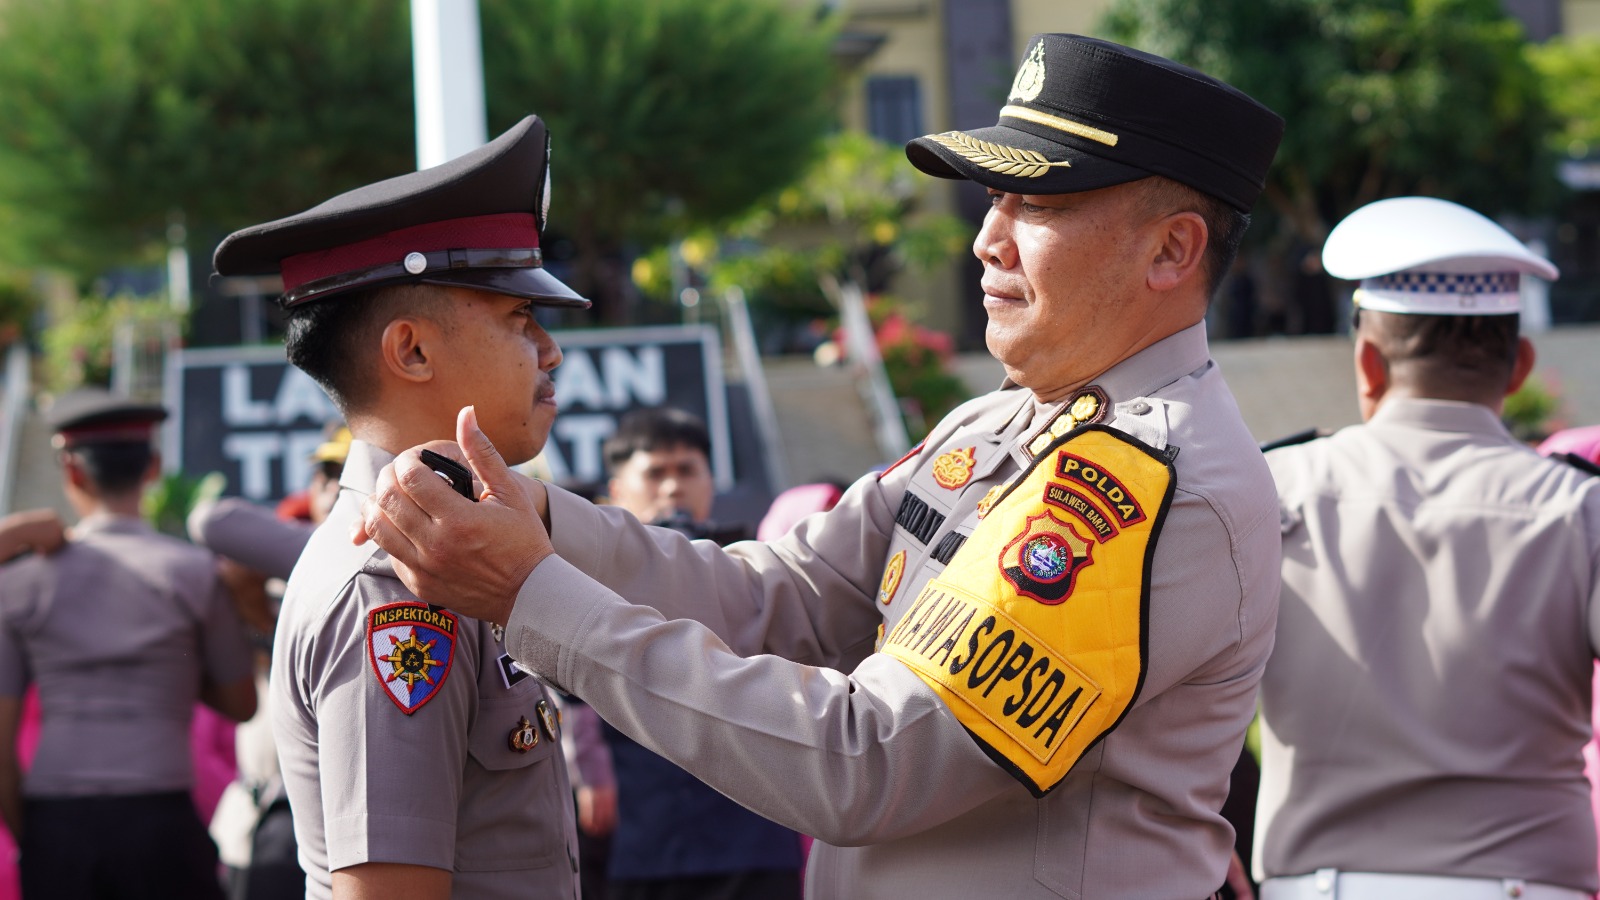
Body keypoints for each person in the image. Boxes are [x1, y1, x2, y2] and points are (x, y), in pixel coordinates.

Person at [360, 33, 1286, 898]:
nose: (987, 239)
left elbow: (869, 760)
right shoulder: (1002, 420)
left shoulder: (1148, 486)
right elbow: (780, 599)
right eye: (993, 199)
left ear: (1172, 249)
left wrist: (533, 596)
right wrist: (541, 519)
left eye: (1037, 205)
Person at [211, 114, 589, 900]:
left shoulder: (447, 546)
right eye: (518, 319)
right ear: (411, 350)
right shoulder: (394, 586)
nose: (550, 350)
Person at [1253, 196, 1600, 899]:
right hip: (1532, 884)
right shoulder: (1579, 507)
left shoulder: (1273, 490)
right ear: (1519, 366)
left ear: (1368, 363)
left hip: (1319, 887)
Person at [0, 389, 258, 899]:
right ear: (153, 467)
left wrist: (32, 835)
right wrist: (172, 666)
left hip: (57, 825)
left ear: (72, 471)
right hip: (161, 822)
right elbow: (241, 704)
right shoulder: (194, 573)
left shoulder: (19, 584)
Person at [591, 408, 803, 900]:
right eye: (654, 473)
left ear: (710, 480)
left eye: (687, 470)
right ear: (617, 490)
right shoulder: (593, 578)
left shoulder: (759, 568)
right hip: (648, 844)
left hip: (756, 839)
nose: (672, 488)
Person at [187, 423, 350, 900]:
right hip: (268, 813)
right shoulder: (282, 571)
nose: (334, 488)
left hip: (356, 816)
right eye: (325, 474)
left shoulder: (402, 566)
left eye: (348, 474)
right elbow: (214, 521)